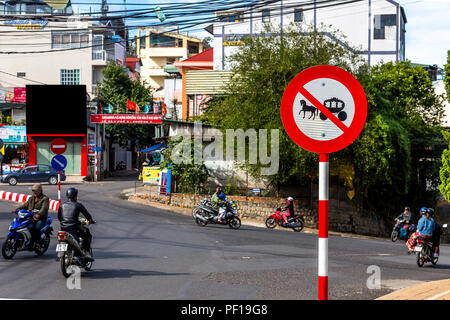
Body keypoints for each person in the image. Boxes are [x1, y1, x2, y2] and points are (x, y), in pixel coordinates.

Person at [57, 188, 96, 260]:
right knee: (86, 236)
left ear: (67, 196)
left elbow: (59, 217)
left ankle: (60, 253)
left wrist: (64, 223)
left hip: (63, 228)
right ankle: (87, 253)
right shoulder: (78, 205)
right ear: (75, 196)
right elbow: (87, 214)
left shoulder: (61, 205)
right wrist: (90, 221)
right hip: (74, 228)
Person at [13, 184, 49, 250]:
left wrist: (39, 214)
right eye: (33, 191)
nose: (34, 193)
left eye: (36, 191)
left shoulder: (45, 199)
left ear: (40, 191)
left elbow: (44, 209)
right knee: (22, 225)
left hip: (40, 218)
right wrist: (17, 209)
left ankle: (37, 243)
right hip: (30, 217)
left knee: (36, 228)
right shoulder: (31, 198)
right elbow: (25, 205)